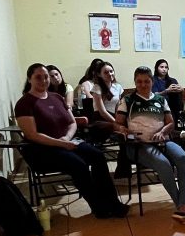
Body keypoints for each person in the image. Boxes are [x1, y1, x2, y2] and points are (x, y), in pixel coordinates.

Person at [15, 63, 127, 218]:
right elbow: (32, 135)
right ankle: (99, 207)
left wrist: (67, 138)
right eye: (38, 77)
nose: (44, 80)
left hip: (68, 141)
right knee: (78, 165)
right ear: (29, 79)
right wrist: (62, 143)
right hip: (44, 149)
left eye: (46, 76)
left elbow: (72, 122)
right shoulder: (24, 103)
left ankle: (113, 203)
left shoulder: (56, 98)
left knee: (98, 156)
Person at [115, 66, 185, 223]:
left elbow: (170, 123)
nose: (143, 85)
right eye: (139, 81)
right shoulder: (128, 100)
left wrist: (163, 132)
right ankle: (182, 207)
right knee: (163, 164)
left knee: (184, 159)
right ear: (135, 82)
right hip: (138, 145)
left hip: (163, 140)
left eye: (147, 81)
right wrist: (124, 130)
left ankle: (183, 205)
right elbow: (117, 124)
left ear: (152, 81)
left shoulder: (160, 99)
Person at [151, 58, 184, 124]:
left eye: (166, 67)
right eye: (161, 67)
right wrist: (167, 91)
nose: (164, 69)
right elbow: (153, 95)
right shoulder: (153, 80)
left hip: (174, 108)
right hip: (159, 108)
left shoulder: (172, 80)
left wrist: (181, 89)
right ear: (156, 68)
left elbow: (180, 93)